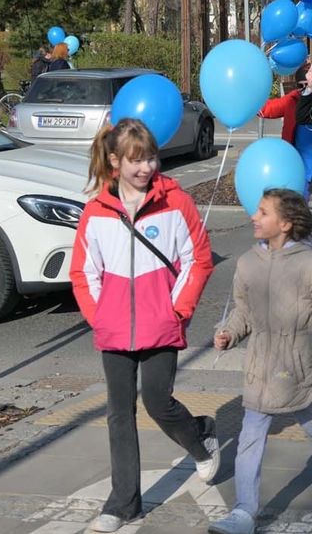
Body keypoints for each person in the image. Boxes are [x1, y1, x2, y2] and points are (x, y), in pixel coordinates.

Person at [69, 118, 217, 533]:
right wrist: (100, 317)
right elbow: (83, 272)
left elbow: (199, 260)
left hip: (161, 324)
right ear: (115, 161)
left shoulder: (176, 203)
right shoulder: (96, 211)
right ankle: (124, 504)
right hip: (113, 330)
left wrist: (178, 310)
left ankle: (201, 434)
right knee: (120, 414)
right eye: (136, 160)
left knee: (157, 401)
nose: (146, 168)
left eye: (151, 157)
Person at [207, 189, 312, 534]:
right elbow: (242, 311)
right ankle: (245, 511)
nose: (254, 217)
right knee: (250, 436)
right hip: (260, 367)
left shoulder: (310, 263)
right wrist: (228, 333)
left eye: (262, 213)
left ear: (285, 224)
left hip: (299, 366)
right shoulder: (246, 263)